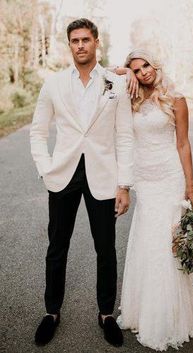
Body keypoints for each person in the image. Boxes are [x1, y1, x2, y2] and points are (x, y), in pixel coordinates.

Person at [112, 49, 193, 351]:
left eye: (145, 67)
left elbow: (183, 143)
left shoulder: (176, 98)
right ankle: (145, 308)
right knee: (146, 240)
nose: (143, 73)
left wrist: (190, 185)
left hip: (169, 177)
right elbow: (104, 73)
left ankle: (172, 314)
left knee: (167, 243)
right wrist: (124, 71)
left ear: (156, 65)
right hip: (144, 180)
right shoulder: (131, 96)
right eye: (136, 70)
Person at [30, 18, 133, 347]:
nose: (80, 45)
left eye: (86, 39)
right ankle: (51, 312)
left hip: (104, 176)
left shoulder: (114, 84)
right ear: (69, 44)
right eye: (74, 40)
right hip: (63, 176)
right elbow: (37, 131)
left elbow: (126, 137)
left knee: (106, 249)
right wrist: (45, 168)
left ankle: (106, 314)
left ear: (96, 42)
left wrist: (124, 185)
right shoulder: (54, 84)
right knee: (56, 247)